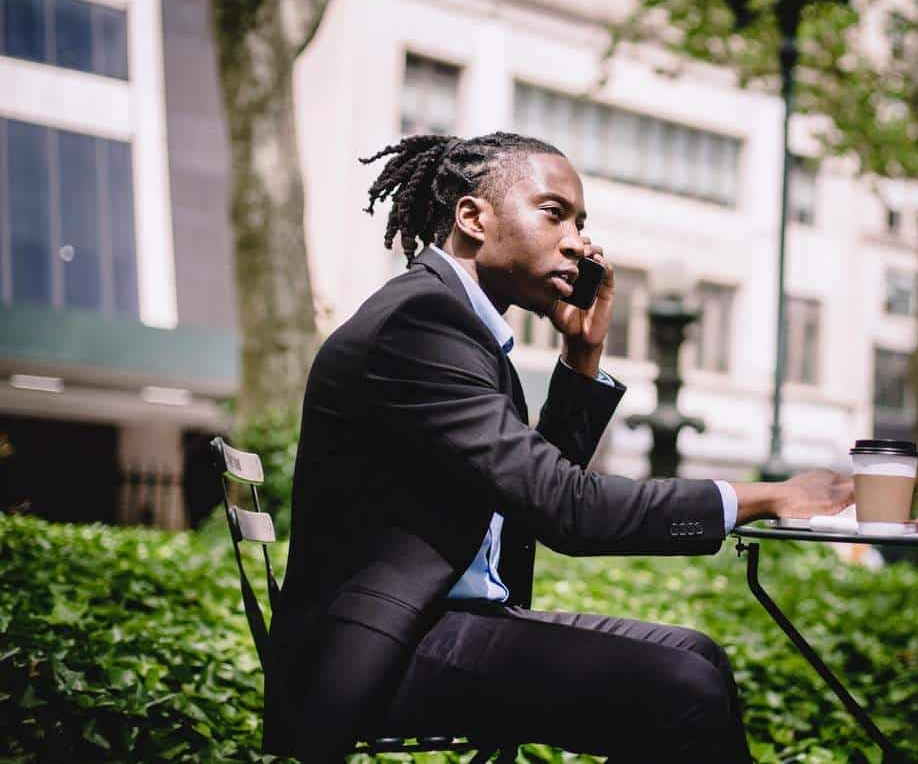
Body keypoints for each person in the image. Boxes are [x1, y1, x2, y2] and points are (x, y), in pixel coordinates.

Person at [268, 131, 857, 761]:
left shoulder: (453, 324)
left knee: (696, 655)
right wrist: (769, 496)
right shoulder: (422, 326)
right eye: (555, 213)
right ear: (473, 217)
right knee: (681, 688)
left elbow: (534, 499)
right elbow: (567, 510)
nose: (578, 241)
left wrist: (582, 356)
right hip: (379, 651)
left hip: (438, 622)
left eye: (580, 222)